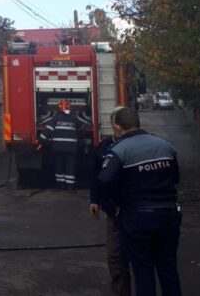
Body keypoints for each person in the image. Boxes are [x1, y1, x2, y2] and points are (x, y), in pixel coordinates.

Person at [98, 107, 181, 296]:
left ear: (117, 126)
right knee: (168, 270)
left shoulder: (119, 150)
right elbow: (175, 177)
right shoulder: (165, 145)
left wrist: (114, 204)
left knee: (143, 271)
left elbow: (105, 179)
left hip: (138, 217)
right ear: (138, 123)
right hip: (168, 216)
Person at [89, 107, 132, 296]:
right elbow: (97, 175)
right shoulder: (104, 147)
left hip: (134, 209)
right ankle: (121, 291)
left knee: (137, 254)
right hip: (113, 210)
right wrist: (94, 200)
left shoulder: (137, 146)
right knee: (115, 256)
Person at [40, 99, 81, 189]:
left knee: (59, 164)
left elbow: (44, 136)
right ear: (70, 108)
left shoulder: (55, 119)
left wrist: (48, 141)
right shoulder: (74, 118)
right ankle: (70, 185)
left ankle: (60, 184)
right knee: (70, 165)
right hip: (71, 148)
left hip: (58, 147)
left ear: (58, 109)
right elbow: (82, 126)